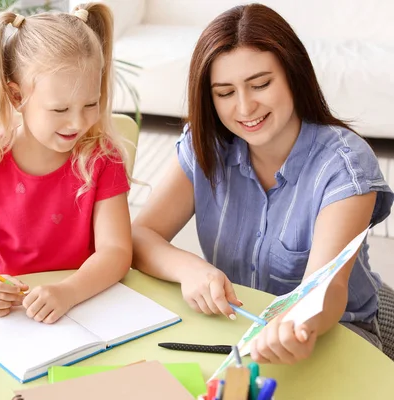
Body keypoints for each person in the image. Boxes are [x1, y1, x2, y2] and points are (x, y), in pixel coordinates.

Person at [132, 3, 394, 365]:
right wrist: (190, 268)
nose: (245, 108)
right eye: (225, 93)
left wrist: (298, 326)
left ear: (293, 74)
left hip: (334, 333)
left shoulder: (345, 164)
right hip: (237, 326)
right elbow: (140, 235)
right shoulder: (205, 146)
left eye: (260, 85)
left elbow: (327, 288)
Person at [0, 3, 132, 325]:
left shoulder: (102, 159)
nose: (78, 122)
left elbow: (115, 251)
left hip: (85, 304)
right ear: (17, 97)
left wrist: (68, 292)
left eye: (91, 103)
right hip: (14, 316)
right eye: (60, 109)